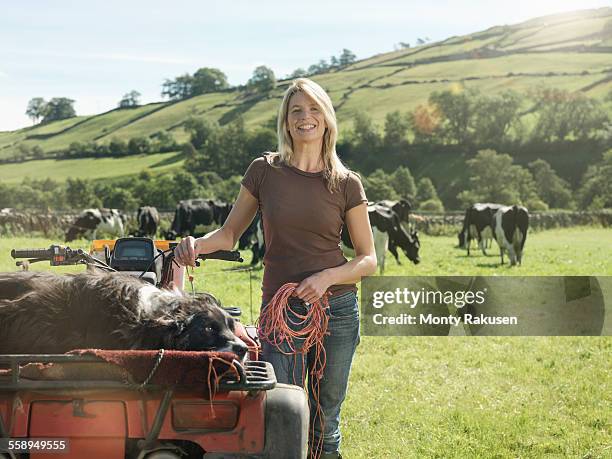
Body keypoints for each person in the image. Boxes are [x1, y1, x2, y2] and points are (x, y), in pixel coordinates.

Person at [175, 77, 377, 459]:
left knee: (325, 420)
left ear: (327, 119)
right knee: (280, 413)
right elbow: (230, 234)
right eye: (296, 110)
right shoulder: (264, 171)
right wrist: (193, 246)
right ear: (286, 121)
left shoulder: (346, 183)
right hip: (280, 311)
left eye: (314, 109)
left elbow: (368, 258)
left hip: (337, 312)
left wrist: (326, 278)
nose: (305, 118)